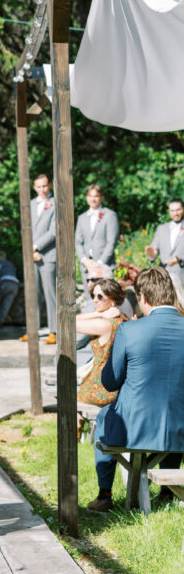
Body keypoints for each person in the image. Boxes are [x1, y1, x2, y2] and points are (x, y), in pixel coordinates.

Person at [88, 267, 184, 512]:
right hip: (179, 425)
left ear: (141, 297)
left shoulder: (129, 330)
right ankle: (167, 491)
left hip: (134, 427)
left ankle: (105, 494)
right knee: (174, 409)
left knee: (103, 416)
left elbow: (110, 381)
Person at [76, 279, 130, 437]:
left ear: (112, 299)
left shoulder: (104, 325)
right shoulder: (125, 319)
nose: (94, 300)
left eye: (99, 296)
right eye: (93, 296)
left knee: (69, 396)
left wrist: (96, 314)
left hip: (100, 385)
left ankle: (77, 426)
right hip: (121, 384)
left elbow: (66, 321)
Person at [21, 173, 56, 343]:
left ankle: (54, 331)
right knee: (32, 294)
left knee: (50, 294)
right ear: (34, 188)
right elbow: (25, 227)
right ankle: (32, 330)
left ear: (49, 185)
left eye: (45, 186)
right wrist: (29, 249)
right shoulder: (30, 205)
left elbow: (54, 231)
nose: (42, 190)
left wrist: (36, 247)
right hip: (31, 255)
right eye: (39, 187)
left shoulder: (56, 203)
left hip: (48, 255)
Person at [74, 184, 119, 300]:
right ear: (86, 197)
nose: (93, 199)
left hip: (104, 266)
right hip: (87, 268)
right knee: (91, 300)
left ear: (101, 197)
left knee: (106, 299)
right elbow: (78, 242)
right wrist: (84, 260)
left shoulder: (110, 215)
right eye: (90, 196)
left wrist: (99, 264)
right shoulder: (81, 217)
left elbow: (111, 242)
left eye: (96, 196)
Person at [146, 198, 184, 303]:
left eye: (178, 210)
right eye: (172, 210)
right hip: (164, 277)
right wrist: (151, 253)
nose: (175, 213)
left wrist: (179, 259)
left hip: (182, 276)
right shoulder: (161, 228)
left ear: (183, 209)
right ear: (169, 212)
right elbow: (154, 249)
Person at [0, 250, 19, 328]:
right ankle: (0, 322)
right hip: (15, 285)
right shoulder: (11, 264)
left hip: (5, 283)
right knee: (6, 305)